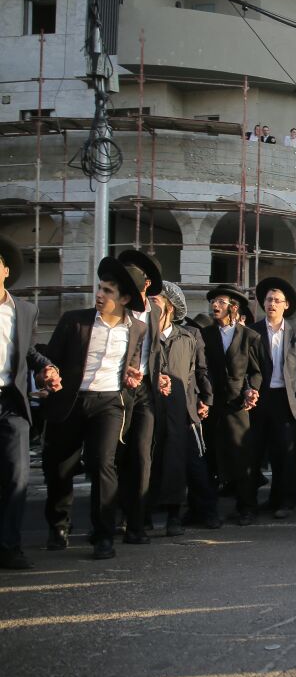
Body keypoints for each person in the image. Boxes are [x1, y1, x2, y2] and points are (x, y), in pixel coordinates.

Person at [42, 257, 146, 560]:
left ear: (124, 298)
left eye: (108, 291)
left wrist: (131, 374)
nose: (100, 295)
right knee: (60, 467)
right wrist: (48, 374)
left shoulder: (137, 328)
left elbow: (132, 362)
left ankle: (103, 535)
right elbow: (49, 358)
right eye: (99, 288)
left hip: (109, 403)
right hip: (72, 401)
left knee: (104, 464)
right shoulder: (74, 320)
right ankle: (58, 525)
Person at [0, 235, 59, 569]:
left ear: (6, 271)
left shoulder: (24, 310)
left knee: (17, 478)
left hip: (11, 402)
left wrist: (47, 367)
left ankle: (9, 545)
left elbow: (31, 351)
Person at [148, 281, 212, 536]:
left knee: (177, 462)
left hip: (179, 409)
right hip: (148, 407)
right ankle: (139, 515)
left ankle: (174, 515)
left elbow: (199, 370)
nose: (150, 307)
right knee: (146, 462)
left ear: (170, 308)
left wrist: (205, 398)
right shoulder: (141, 334)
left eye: (156, 302)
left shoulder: (188, 336)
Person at [200, 286, 263, 525]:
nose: (215, 305)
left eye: (220, 301)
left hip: (238, 406)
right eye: (213, 301)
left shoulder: (250, 337)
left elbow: (257, 372)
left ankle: (247, 507)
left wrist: (252, 389)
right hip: (211, 404)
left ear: (233, 307)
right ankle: (207, 510)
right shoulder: (204, 335)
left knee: (241, 457)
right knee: (209, 458)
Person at [117, 250, 165, 544]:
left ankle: (137, 521)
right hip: (117, 389)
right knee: (114, 456)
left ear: (145, 282)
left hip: (145, 391)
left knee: (142, 456)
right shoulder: (117, 307)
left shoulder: (155, 311)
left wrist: (157, 374)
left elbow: (156, 349)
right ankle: (111, 518)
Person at [249, 277, 296, 519]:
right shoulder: (253, 331)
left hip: (286, 399)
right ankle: (256, 502)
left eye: (277, 300)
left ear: (286, 306)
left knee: (285, 452)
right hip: (260, 398)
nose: (272, 303)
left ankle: (286, 501)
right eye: (269, 300)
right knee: (256, 451)